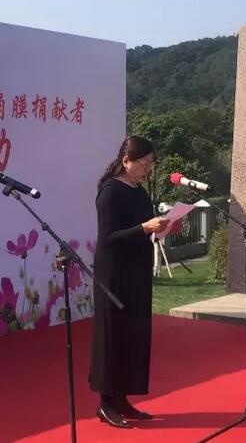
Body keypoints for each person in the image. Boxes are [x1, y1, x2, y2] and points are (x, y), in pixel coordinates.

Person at [89, 135, 170, 429]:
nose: (148, 168)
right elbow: (108, 238)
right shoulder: (110, 192)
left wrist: (164, 228)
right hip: (114, 275)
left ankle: (122, 397)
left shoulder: (139, 192)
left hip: (136, 272)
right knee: (112, 336)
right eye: (144, 163)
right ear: (126, 161)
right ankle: (106, 402)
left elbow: (143, 231)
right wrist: (144, 227)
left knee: (133, 335)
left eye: (151, 163)